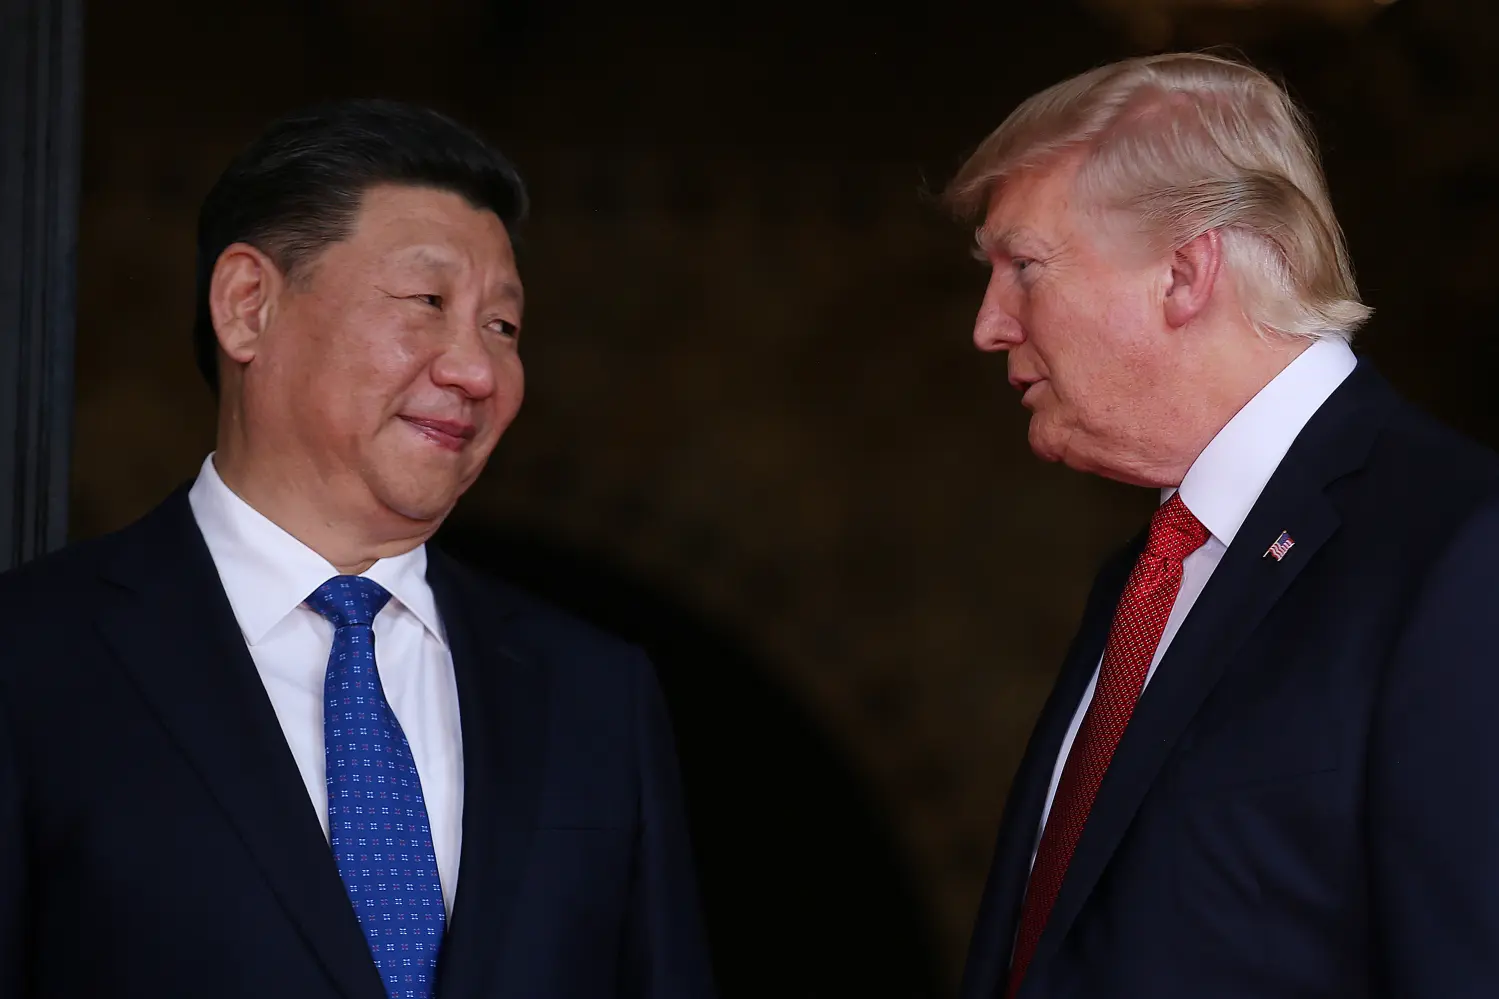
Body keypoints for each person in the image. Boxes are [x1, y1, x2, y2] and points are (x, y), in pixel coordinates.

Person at [0, 99, 716, 999]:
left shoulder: (593, 695)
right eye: (427, 302)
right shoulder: (32, 659)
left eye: (502, 326)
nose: (476, 370)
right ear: (247, 306)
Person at [949, 52, 1499, 998]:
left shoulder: (1460, 550)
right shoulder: (1147, 572)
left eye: (1024, 266)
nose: (988, 323)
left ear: (1183, 271)